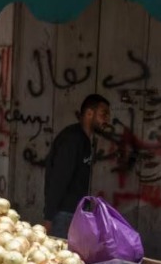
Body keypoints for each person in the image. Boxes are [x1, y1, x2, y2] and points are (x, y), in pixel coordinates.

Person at [43, 94, 111, 239]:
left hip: (75, 215)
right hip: (62, 216)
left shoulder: (84, 140)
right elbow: (58, 180)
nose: (107, 120)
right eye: (103, 114)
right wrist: (48, 218)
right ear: (89, 113)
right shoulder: (72, 140)